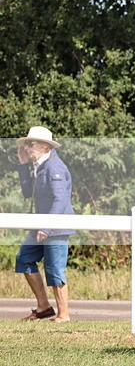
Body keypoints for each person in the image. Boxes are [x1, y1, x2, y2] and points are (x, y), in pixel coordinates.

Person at [15, 126, 75, 322]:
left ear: (45, 146)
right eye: (25, 144)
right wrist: (23, 165)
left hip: (54, 228)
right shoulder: (40, 165)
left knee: (55, 269)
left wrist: (47, 227)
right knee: (24, 259)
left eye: (30, 144)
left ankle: (64, 315)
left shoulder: (53, 167)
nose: (26, 147)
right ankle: (43, 307)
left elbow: (61, 200)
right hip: (43, 226)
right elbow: (27, 193)